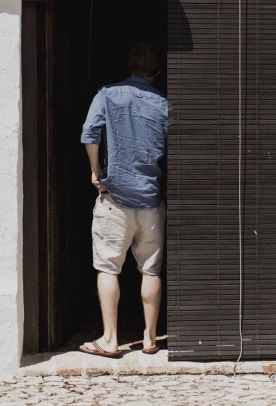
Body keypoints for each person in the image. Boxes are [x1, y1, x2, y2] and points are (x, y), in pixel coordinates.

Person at [79, 40, 168, 359]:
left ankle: (110, 339)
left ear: (130, 64)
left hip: (115, 198)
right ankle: (149, 338)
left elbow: (90, 134)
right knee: (151, 271)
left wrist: (96, 170)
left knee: (107, 268)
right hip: (150, 201)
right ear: (157, 70)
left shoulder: (107, 94)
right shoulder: (163, 103)